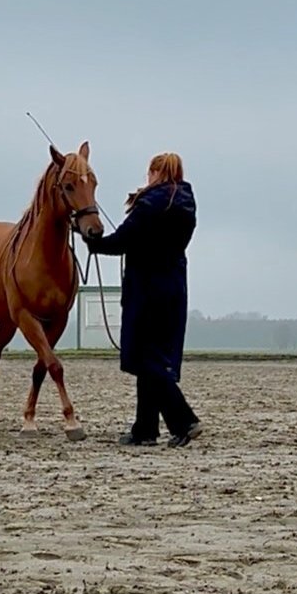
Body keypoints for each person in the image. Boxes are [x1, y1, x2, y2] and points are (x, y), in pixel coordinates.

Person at [84, 152, 202, 447]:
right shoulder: (186, 205)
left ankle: (184, 420)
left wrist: (94, 243)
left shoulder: (149, 205)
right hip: (174, 288)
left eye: (150, 172)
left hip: (147, 290)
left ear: (156, 172)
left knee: (144, 358)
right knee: (153, 357)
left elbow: (124, 240)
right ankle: (145, 429)